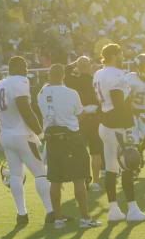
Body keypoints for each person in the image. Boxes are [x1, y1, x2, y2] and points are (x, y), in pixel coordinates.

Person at [0, 56, 54, 226]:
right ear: (19, 68)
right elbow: (25, 109)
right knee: (40, 172)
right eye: (25, 66)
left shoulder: (0, 84)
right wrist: (40, 132)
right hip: (22, 134)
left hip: (5, 133)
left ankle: (21, 214)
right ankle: (51, 211)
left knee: (15, 175)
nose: (27, 70)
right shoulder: (19, 81)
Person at [38, 64, 99, 229]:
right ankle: (85, 218)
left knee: (55, 180)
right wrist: (87, 111)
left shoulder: (41, 93)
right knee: (79, 178)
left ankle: (58, 219)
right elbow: (79, 115)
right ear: (63, 76)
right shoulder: (71, 93)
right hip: (71, 138)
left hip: (51, 139)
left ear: (49, 75)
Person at [94, 43, 145, 223]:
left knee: (111, 168)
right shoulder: (116, 74)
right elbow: (118, 102)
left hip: (105, 124)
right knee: (128, 166)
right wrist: (128, 126)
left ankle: (114, 209)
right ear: (114, 55)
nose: (123, 57)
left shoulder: (99, 73)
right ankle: (132, 209)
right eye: (121, 54)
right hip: (119, 124)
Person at [66, 56, 102, 190]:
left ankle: (85, 178)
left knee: (81, 152)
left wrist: (75, 63)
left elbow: (66, 70)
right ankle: (96, 182)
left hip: (80, 120)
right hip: (95, 119)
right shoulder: (95, 81)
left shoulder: (73, 81)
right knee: (96, 152)